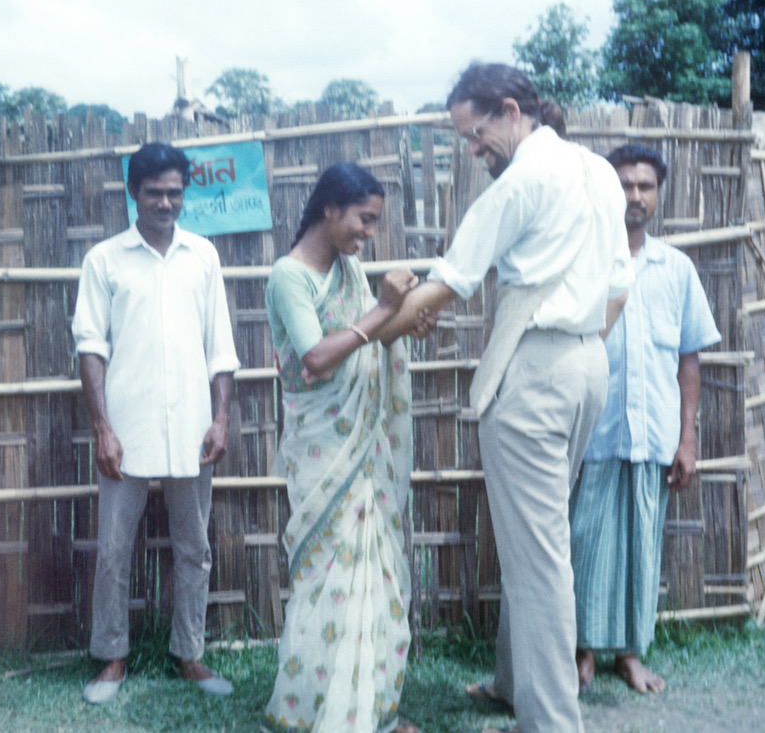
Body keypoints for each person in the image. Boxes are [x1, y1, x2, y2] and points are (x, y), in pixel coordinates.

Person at [387, 63, 634, 733]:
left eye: (473, 134)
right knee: (535, 538)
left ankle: (552, 720)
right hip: (588, 364)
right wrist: (574, 342)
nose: (472, 150)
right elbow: (617, 289)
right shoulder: (597, 171)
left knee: (539, 553)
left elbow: (453, 279)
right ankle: (511, 681)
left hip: (536, 372)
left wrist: (373, 327)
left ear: (506, 110)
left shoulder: (522, 180)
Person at [72, 141, 241, 704]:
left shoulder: (203, 256)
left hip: (195, 429)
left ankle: (190, 654)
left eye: (174, 192)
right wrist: (102, 426)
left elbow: (220, 346)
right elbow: (90, 347)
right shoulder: (105, 260)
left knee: (194, 547)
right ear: (133, 193)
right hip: (127, 427)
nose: (166, 203)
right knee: (115, 548)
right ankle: (112, 658)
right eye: (154, 192)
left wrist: (220, 417)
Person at [261, 163, 425, 733]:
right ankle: (316, 712)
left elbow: (366, 339)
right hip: (321, 450)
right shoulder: (290, 276)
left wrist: (402, 325)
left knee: (372, 574)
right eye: (363, 219)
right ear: (329, 208)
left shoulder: (349, 271)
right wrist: (383, 312)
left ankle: (369, 708)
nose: (368, 233)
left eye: (374, 222)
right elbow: (316, 358)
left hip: (362, 455)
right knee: (329, 575)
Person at [570, 144, 721, 694]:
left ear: (659, 193)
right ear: (609, 191)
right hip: (593, 433)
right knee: (584, 544)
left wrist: (688, 440)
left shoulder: (676, 269)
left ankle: (630, 655)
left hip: (653, 435)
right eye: (625, 185)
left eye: (645, 186)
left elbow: (689, 361)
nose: (634, 196)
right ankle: (582, 653)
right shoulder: (584, 263)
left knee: (641, 548)